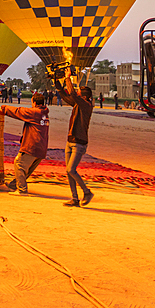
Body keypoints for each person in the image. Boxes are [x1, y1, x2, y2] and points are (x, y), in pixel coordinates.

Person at [56, 69, 94, 207]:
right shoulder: (79, 104)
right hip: (70, 141)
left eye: (78, 92)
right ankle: (75, 198)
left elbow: (71, 93)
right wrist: (56, 82)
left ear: (83, 96)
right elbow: (65, 96)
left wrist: (68, 78)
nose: (76, 93)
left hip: (79, 142)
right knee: (69, 171)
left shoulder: (86, 105)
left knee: (71, 170)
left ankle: (87, 192)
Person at [2, 93, 49, 196]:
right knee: (26, 169)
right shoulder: (44, 114)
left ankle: (22, 190)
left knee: (19, 163)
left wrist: (4, 108)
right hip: (41, 148)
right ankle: (13, 185)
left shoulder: (35, 112)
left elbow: (19, 112)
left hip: (32, 146)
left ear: (34, 102)